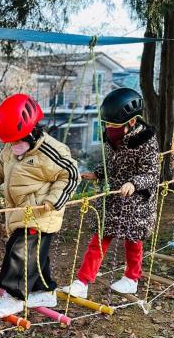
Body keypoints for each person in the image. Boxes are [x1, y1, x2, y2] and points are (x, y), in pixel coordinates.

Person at [0, 94, 79, 318]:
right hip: (19, 213)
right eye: (11, 141)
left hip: (40, 213)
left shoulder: (51, 152)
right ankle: (46, 291)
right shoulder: (10, 150)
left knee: (20, 252)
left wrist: (53, 200)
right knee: (36, 257)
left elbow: (71, 175)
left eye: (18, 141)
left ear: (33, 130)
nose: (14, 145)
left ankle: (14, 296)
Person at [60, 88, 160, 298]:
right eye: (106, 124)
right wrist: (98, 173)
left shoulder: (146, 141)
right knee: (100, 238)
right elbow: (110, 163)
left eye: (113, 125)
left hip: (137, 201)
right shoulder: (111, 136)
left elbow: (152, 173)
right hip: (114, 197)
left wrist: (134, 182)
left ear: (132, 122)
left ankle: (132, 278)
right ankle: (82, 282)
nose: (108, 129)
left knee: (133, 240)